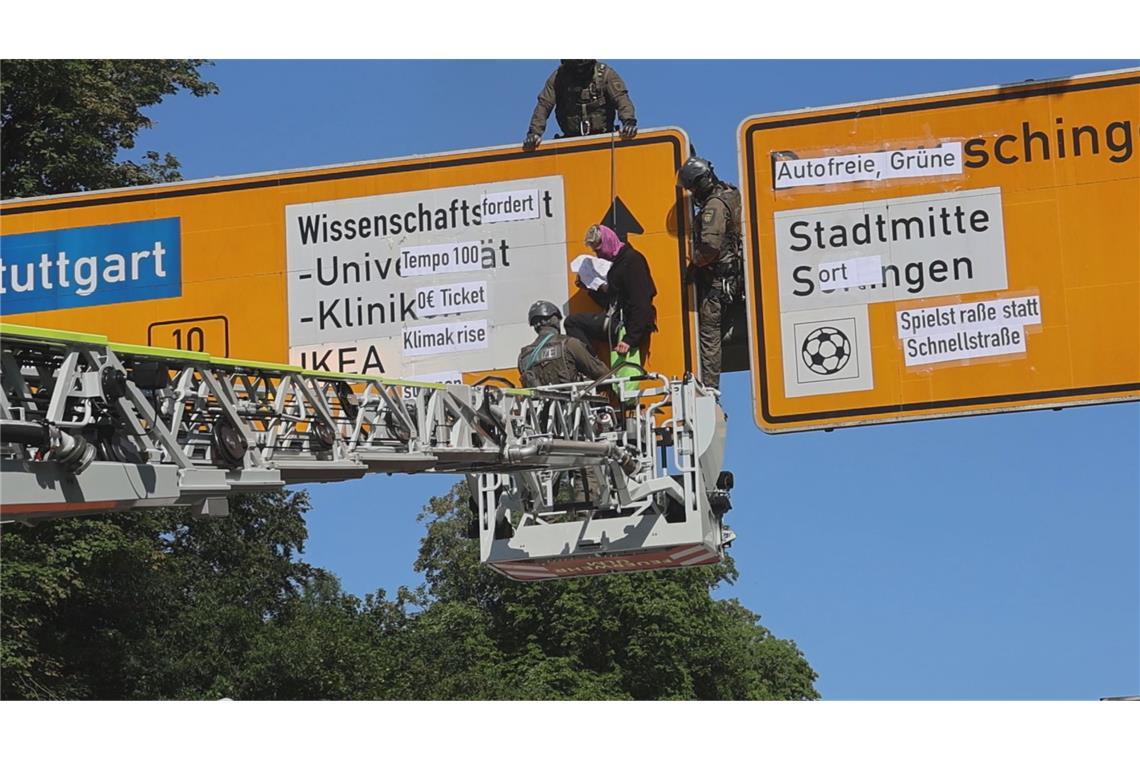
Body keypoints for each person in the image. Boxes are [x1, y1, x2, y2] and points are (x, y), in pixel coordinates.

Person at [677, 155, 743, 390]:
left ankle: (710, 386)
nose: (692, 193)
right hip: (734, 273)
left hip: (720, 279)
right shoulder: (731, 193)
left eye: (693, 187)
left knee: (709, 331)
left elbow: (710, 247)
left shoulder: (713, 207)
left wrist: (694, 263)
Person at [564, 224, 657, 364]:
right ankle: (593, 366)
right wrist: (590, 288)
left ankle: (593, 367)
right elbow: (613, 300)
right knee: (573, 322)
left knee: (572, 322)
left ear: (608, 241)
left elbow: (641, 302)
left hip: (626, 325)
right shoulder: (619, 262)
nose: (598, 255)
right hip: (620, 321)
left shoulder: (632, 261)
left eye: (599, 250)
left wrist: (630, 339)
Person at [522, 60, 637, 151]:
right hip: (570, 141)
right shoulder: (558, 78)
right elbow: (544, 104)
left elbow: (621, 99)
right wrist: (534, 133)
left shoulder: (605, 74)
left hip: (604, 138)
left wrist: (628, 123)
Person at [518, 300, 609, 387]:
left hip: (541, 403)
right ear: (551, 319)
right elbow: (601, 373)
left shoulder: (523, 356)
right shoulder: (569, 344)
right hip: (573, 401)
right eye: (557, 318)